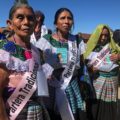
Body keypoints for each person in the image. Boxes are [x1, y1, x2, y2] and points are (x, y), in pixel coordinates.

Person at [35, 7, 91, 120]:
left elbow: (82, 65)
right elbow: (38, 64)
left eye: (69, 18)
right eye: (62, 18)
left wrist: (84, 83)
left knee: (73, 114)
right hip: (51, 86)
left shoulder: (77, 41)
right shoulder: (45, 41)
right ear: (56, 23)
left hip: (72, 84)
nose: (66, 21)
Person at [0, 0, 50, 120]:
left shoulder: (36, 50)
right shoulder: (4, 49)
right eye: (20, 17)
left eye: (30, 18)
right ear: (10, 24)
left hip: (36, 109)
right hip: (14, 112)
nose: (26, 22)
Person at [84, 24, 120, 120]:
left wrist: (118, 56)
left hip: (112, 82)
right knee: (95, 106)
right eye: (101, 35)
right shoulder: (89, 48)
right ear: (97, 35)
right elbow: (82, 66)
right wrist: (90, 69)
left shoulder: (113, 47)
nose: (103, 38)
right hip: (97, 83)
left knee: (110, 107)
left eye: (106, 35)